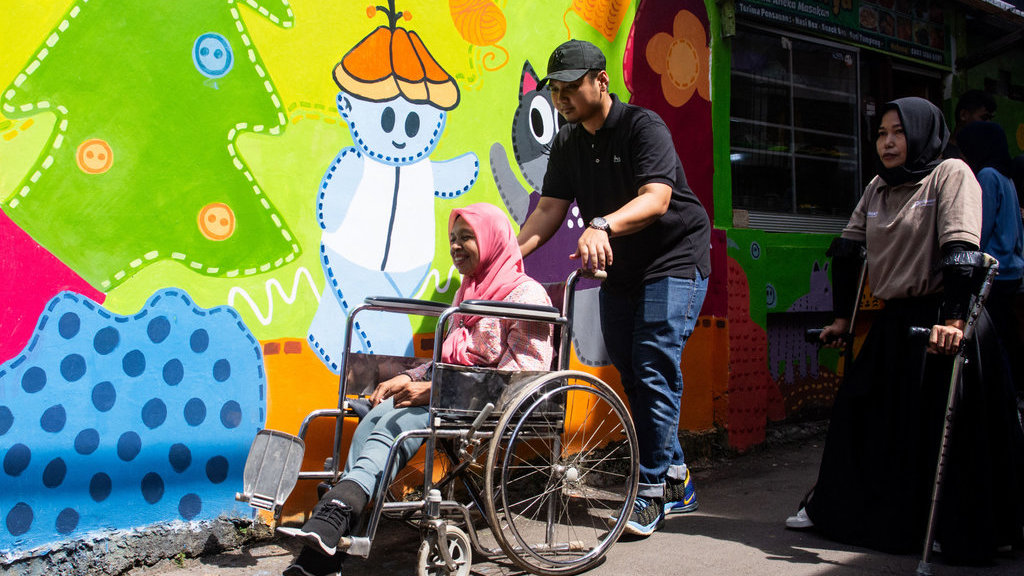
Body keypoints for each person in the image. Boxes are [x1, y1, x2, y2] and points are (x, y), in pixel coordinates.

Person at [786, 97, 1024, 564]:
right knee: (859, 411)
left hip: (947, 315)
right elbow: (849, 251)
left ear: (921, 134)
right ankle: (831, 506)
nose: (888, 142)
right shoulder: (877, 187)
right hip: (897, 317)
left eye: (898, 132)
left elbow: (961, 251)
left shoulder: (951, 174)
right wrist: (841, 319)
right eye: (881, 133)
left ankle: (953, 527)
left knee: (943, 427)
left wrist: (954, 320)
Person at [280, 203, 555, 576]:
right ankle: (330, 545)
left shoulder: (526, 296)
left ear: (492, 239)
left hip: (488, 403)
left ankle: (335, 520)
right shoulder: (468, 293)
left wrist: (435, 391)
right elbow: (447, 361)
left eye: (466, 237)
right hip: (448, 395)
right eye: (452, 239)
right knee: (374, 419)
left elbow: (524, 374)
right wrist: (410, 378)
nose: (456, 246)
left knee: (398, 428)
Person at [516, 39, 711, 537]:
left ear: (600, 81)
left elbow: (657, 198)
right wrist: (506, 257)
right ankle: (677, 476)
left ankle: (649, 493)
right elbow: (548, 210)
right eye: (555, 90)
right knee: (635, 373)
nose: (561, 98)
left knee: (652, 368)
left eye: (570, 87)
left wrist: (601, 224)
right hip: (622, 271)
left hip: (674, 260)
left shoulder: (643, 127)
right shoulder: (567, 143)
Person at [957, 121, 1024, 397]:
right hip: (1012, 272)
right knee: (1008, 336)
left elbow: (978, 228)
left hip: (990, 273)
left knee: (991, 339)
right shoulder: (1006, 177)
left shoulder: (986, 175)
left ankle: (1001, 393)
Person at [943, 88, 996, 160]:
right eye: (984, 118)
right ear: (963, 115)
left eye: (990, 119)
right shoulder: (941, 154)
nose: (989, 124)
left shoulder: (983, 156)